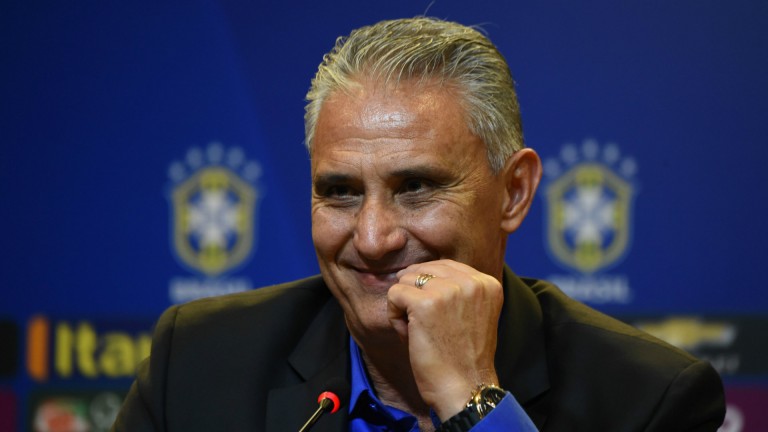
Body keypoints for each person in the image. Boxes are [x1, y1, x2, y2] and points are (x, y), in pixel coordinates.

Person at [111, 17, 725, 431]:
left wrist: (474, 401)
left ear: (514, 192)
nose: (373, 238)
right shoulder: (197, 364)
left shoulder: (650, 400)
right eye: (340, 192)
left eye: (416, 188)